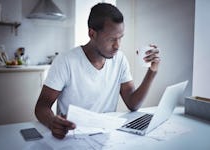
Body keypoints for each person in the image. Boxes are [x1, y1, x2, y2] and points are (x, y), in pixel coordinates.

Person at [35, 2, 160, 139]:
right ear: (92, 33)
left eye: (120, 38)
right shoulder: (65, 61)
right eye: (112, 39)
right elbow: (42, 107)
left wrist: (152, 72)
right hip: (73, 136)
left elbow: (133, 104)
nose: (117, 46)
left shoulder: (120, 60)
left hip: (106, 137)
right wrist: (52, 122)